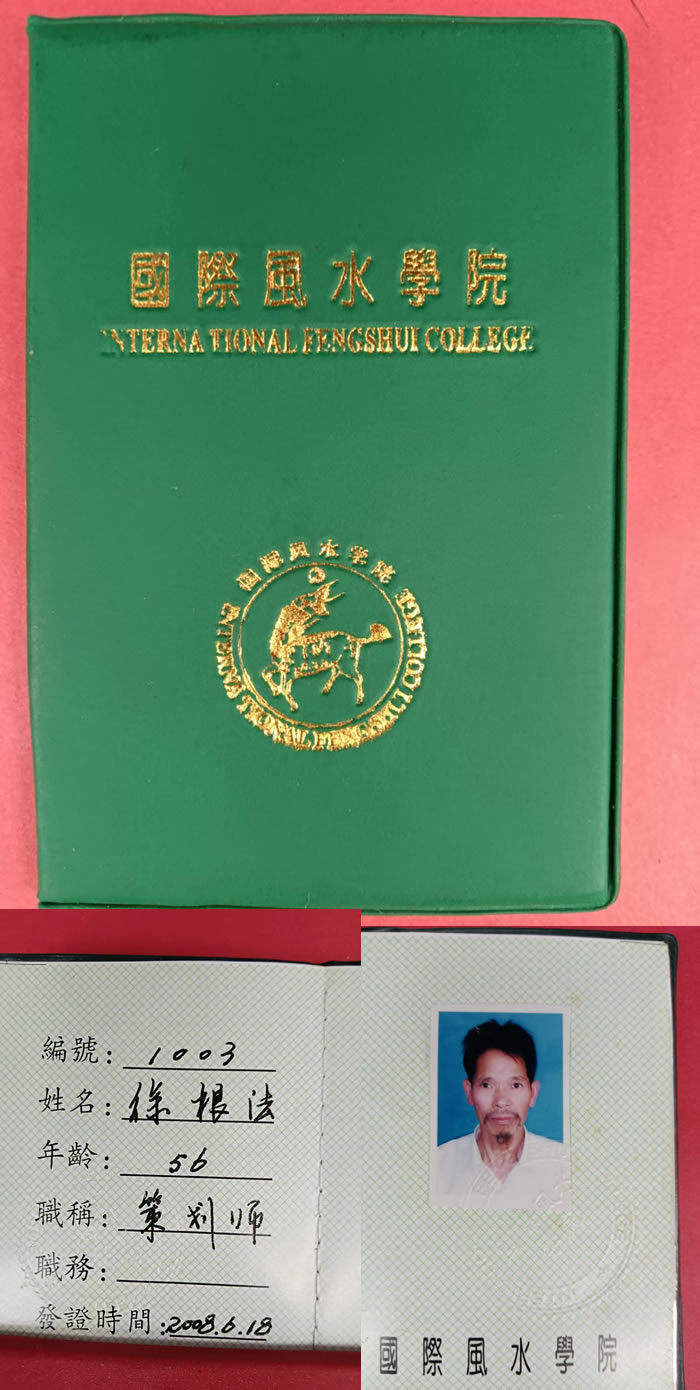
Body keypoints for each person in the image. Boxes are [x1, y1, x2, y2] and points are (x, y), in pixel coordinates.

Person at [432, 1018, 569, 1210]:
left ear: (533, 1093)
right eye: (487, 1085)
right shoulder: (438, 1165)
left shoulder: (563, 1165)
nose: (502, 1101)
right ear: (469, 1092)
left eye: (515, 1085)